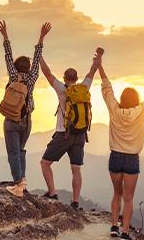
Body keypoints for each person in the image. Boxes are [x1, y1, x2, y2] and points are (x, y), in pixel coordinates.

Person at [99, 57, 144, 240]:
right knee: (129, 198)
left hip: (115, 156)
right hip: (132, 158)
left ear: (122, 99)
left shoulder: (114, 109)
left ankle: (114, 226)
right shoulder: (141, 111)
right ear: (136, 100)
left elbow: (107, 89)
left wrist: (99, 66)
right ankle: (125, 232)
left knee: (117, 193)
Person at [0, 21, 51, 197]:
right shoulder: (33, 77)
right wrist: (41, 36)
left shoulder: (13, 75)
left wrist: (5, 35)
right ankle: (22, 182)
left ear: (15, 66)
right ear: (28, 68)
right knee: (21, 150)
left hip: (11, 120)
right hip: (26, 120)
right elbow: (37, 57)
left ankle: (19, 184)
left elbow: (7, 54)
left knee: (13, 152)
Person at [39, 50, 99, 210]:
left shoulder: (62, 89)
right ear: (77, 78)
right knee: (76, 169)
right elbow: (92, 72)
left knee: (45, 163)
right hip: (80, 134)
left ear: (65, 78)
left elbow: (47, 73)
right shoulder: (84, 87)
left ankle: (52, 192)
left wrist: (39, 56)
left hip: (63, 133)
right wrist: (97, 60)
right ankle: (75, 201)